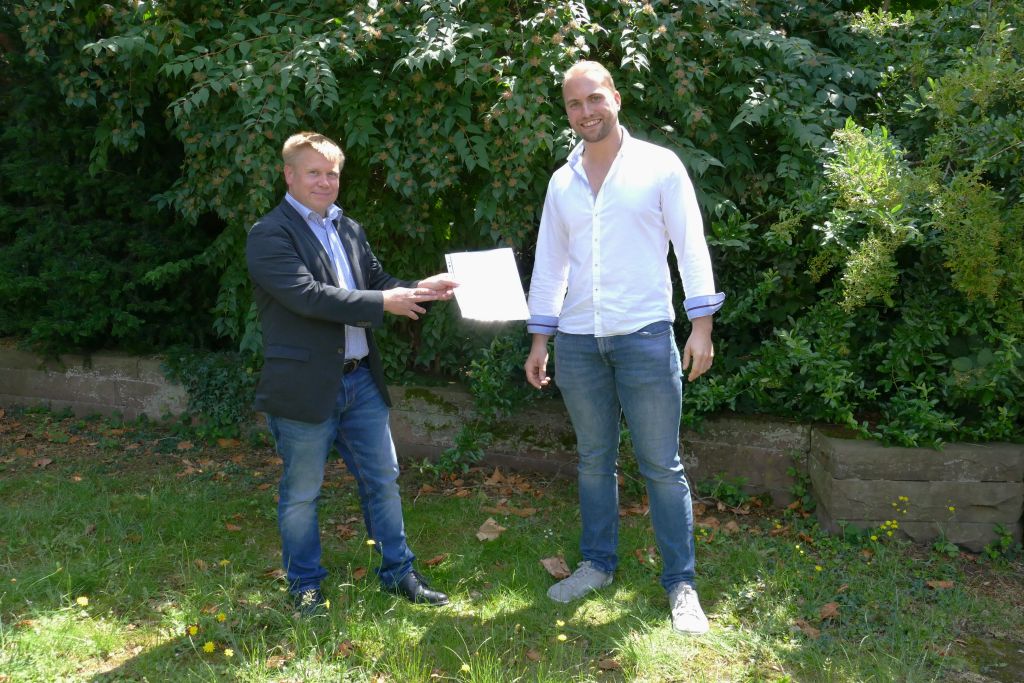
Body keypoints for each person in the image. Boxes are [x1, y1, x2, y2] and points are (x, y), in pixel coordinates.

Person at [524, 62, 725, 634]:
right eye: (574, 104)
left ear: (615, 98)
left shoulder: (659, 166)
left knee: (662, 465)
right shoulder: (561, 182)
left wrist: (702, 326)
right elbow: (550, 264)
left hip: (645, 336)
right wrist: (541, 340)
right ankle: (597, 565)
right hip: (578, 341)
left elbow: (691, 247)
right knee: (593, 460)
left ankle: (681, 583)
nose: (585, 112)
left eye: (594, 99)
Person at [246, 131, 458, 616]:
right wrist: (385, 301)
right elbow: (307, 296)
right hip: (305, 387)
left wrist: (420, 288)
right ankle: (305, 587)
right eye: (314, 173)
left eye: (332, 173)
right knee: (302, 495)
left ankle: (399, 573)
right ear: (289, 175)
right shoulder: (269, 234)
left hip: (361, 381)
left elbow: (377, 283)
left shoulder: (348, 228)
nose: (325, 182)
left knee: (383, 480)